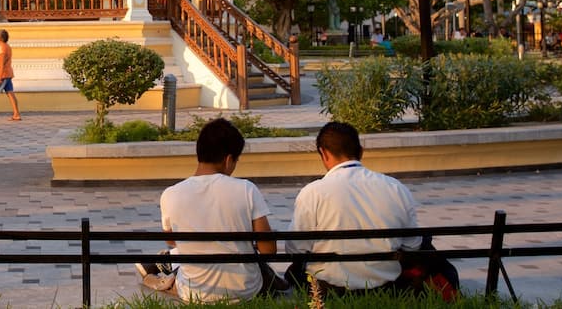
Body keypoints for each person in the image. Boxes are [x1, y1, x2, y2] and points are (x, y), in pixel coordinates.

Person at [136, 118, 281, 302]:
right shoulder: (246, 189)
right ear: (229, 160)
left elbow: (172, 241)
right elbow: (268, 250)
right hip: (245, 289)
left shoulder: (170, 194)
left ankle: (161, 274)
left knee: (180, 262)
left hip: (194, 292)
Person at [286, 121, 421, 295]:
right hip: (386, 285)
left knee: (293, 272)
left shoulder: (313, 192)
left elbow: (295, 248)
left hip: (329, 287)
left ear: (323, 153)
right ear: (361, 151)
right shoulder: (396, 188)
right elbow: (413, 245)